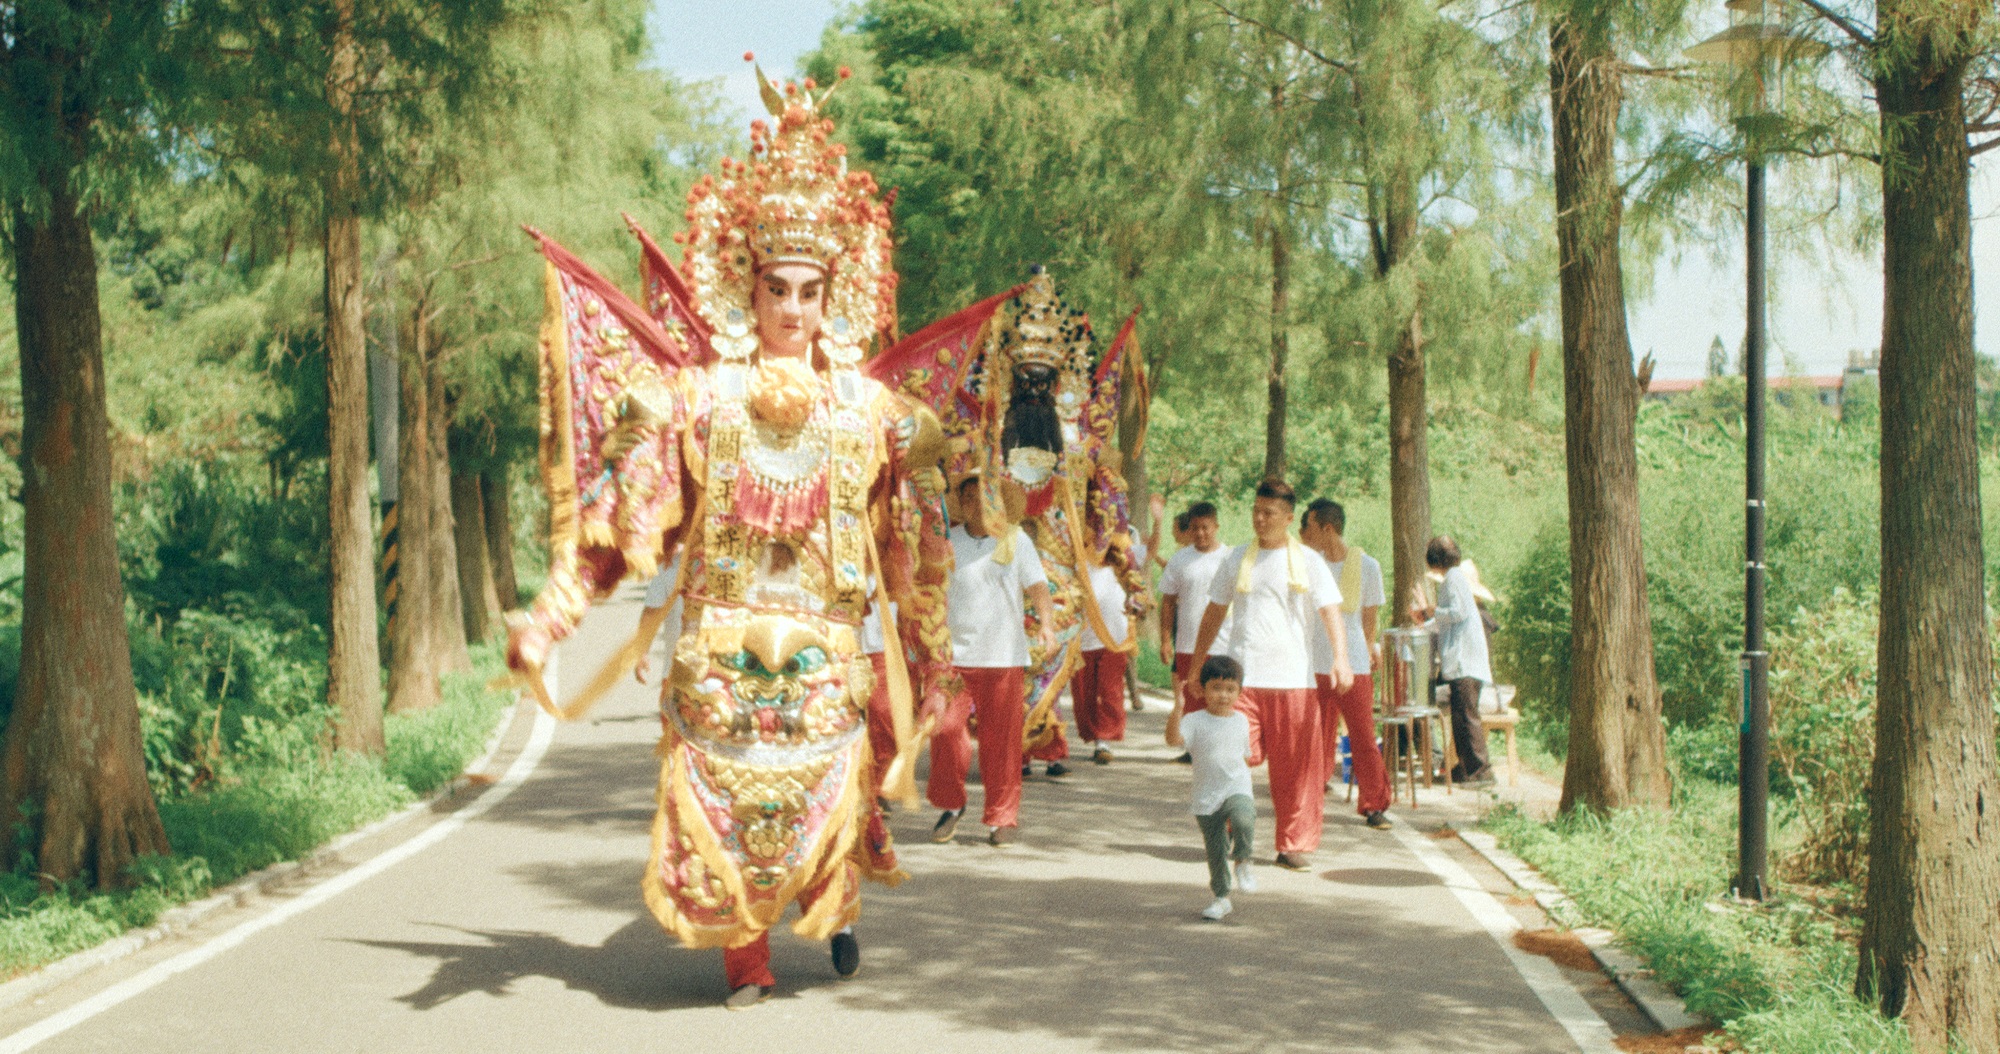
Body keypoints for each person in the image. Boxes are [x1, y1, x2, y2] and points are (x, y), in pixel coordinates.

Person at [508, 67, 957, 1010]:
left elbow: (911, 544)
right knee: (729, 802)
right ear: (745, 289)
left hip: (830, 652)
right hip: (718, 651)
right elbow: (617, 525)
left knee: (825, 795)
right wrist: (552, 617)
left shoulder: (871, 413)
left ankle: (831, 912)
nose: (792, 307)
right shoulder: (694, 402)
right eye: (776, 288)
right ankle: (745, 961)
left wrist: (933, 648)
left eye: (808, 290)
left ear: (834, 294)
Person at [1173, 479, 1351, 871]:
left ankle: (1294, 844)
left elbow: (1330, 612)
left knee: (1296, 770)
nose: (1259, 518)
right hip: (1243, 680)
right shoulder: (1236, 558)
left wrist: (1341, 658)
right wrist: (1196, 664)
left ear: (1288, 518)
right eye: (1256, 510)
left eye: (1268, 512)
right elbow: (1215, 612)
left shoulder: (1309, 560)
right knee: (1232, 753)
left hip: (1294, 680)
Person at [932, 473, 1058, 848]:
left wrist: (1047, 627)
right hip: (953, 656)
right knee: (946, 731)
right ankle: (951, 805)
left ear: (995, 501)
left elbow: (1038, 588)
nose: (976, 504)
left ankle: (1001, 817)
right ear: (962, 503)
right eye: (967, 497)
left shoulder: (1015, 541)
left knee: (1000, 742)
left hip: (1002, 656)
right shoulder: (947, 542)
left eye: (983, 497)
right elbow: (932, 590)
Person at [1299, 500, 1392, 830]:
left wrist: (1366, 652)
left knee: (1363, 735)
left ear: (1327, 529)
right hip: (1315, 662)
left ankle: (1374, 804)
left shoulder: (1368, 566)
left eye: (1308, 526)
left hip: (1352, 663)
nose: (1303, 533)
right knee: (1314, 735)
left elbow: (1369, 621)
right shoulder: (1308, 565)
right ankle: (1311, 795)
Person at [1166, 655, 1258, 921]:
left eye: (1230, 689)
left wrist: (1241, 780)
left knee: (1243, 817)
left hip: (1236, 786)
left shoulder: (1241, 720)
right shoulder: (1195, 720)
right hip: (1206, 796)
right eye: (1216, 688)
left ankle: (1243, 860)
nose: (1223, 695)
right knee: (1216, 851)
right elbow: (1173, 740)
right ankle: (1221, 898)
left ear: (1239, 692)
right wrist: (1177, 708)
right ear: (1203, 689)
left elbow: (1244, 755)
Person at [1411, 535, 1495, 785]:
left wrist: (1433, 610)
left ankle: (1481, 770)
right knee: (1460, 717)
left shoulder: (1454, 578)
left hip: (1465, 660)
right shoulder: (1454, 579)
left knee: (1467, 717)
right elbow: (1450, 617)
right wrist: (1428, 619)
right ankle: (1466, 767)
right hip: (1463, 661)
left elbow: (1456, 613)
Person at [1157, 502, 1233, 763]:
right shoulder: (1180, 559)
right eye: (1195, 528)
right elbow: (1167, 602)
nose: (1200, 533)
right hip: (1188, 643)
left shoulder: (1230, 557)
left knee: (1221, 695)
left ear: (1216, 527)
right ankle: (1195, 749)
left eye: (1205, 528)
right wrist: (1166, 639)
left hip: (1222, 644)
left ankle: (1220, 750)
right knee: (1193, 697)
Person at [1072, 540, 1144, 764]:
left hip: (1114, 635)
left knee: (1109, 689)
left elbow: (1136, 586)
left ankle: (1104, 741)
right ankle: (1094, 735)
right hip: (1082, 637)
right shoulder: (1070, 549)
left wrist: (1136, 603)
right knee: (1085, 693)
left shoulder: (1119, 552)